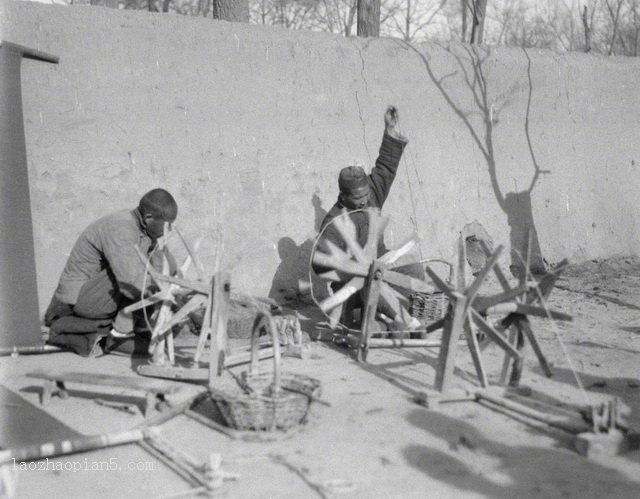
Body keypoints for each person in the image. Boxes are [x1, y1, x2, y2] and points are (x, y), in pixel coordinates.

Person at [317, 105, 420, 330]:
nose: (365, 201)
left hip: (381, 269)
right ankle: (395, 318)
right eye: (358, 197)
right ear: (343, 195)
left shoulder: (371, 195)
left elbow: (384, 169)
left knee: (414, 269)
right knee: (373, 282)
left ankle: (387, 314)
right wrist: (354, 268)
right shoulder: (333, 222)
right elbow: (321, 264)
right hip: (354, 286)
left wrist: (390, 132)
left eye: (366, 195)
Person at [44, 188, 178, 356]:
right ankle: (119, 336)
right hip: (79, 301)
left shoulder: (142, 229)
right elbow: (132, 282)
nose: (170, 230)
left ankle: (137, 328)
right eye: (167, 224)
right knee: (142, 271)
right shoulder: (121, 229)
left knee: (164, 259)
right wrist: (177, 299)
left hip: (97, 298)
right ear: (148, 218)